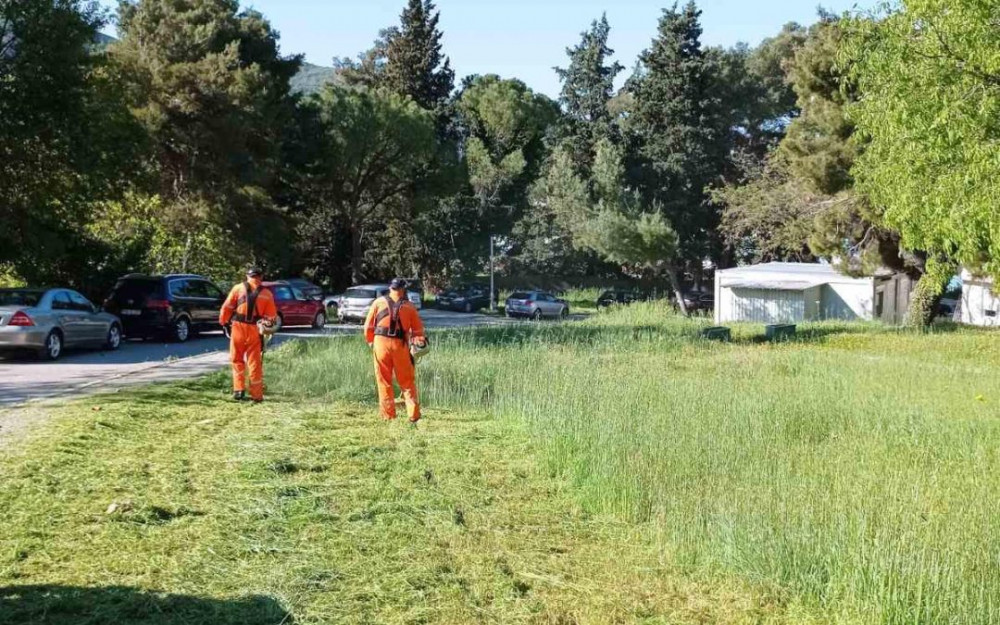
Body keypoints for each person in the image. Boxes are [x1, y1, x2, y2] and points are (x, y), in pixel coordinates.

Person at [364, 278, 426, 422]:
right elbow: (418, 332)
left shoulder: (378, 303)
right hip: (400, 346)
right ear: (403, 290)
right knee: (407, 381)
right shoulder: (410, 307)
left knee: (384, 381)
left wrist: (371, 342)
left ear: (390, 288)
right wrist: (418, 346)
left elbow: (368, 327)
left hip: (380, 344)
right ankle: (413, 415)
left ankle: (388, 416)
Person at [219, 266, 278, 403]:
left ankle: (239, 390)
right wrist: (266, 327)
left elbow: (226, 307)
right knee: (254, 362)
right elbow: (271, 318)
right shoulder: (267, 294)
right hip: (255, 330)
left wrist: (224, 322)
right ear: (261, 277)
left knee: (237, 359)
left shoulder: (238, 288)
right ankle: (257, 395)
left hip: (238, 328)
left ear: (247, 276)